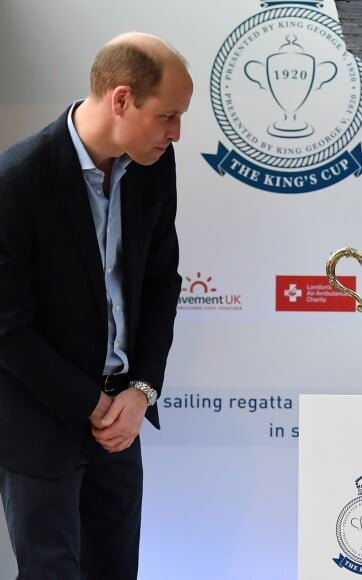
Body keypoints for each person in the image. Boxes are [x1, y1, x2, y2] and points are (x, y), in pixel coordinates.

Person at [0, 32, 193, 579]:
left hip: (121, 421)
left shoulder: (154, 165)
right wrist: (93, 403)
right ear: (122, 99)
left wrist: (140, 391)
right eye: (168, 116)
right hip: (39, 421)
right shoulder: (17, 181)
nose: (176, 133)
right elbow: (8, 330)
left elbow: (161, 283)